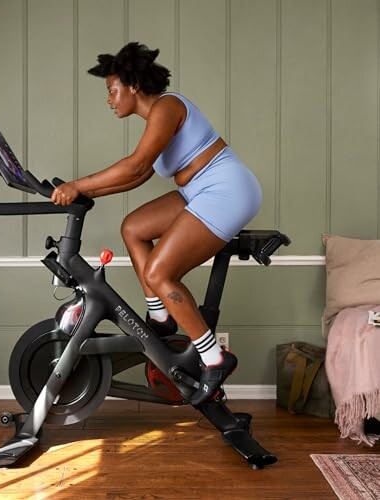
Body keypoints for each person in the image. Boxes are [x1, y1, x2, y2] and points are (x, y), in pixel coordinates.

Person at [51, 42, 262, 404]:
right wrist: (87, 193)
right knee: (134, 227)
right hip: (201, 189)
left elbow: (134, 166)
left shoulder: (168, 106)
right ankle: (160, 317)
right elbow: (138, 176)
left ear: (133, 86)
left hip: (227, 190)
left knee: (160, 274)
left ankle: (215, 358)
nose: (110, 99)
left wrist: (78, 185)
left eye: (112, 91)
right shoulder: (156, 120)